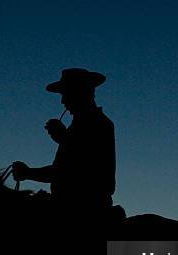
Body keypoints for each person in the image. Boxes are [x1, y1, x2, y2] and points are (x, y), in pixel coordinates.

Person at [12, 68, 116, 225]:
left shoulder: (99, 124)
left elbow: (78, 169)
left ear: (80, 93)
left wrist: (64, 139)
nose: (63, 101)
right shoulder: (82, 126)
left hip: (83, 210)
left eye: (66, 94)